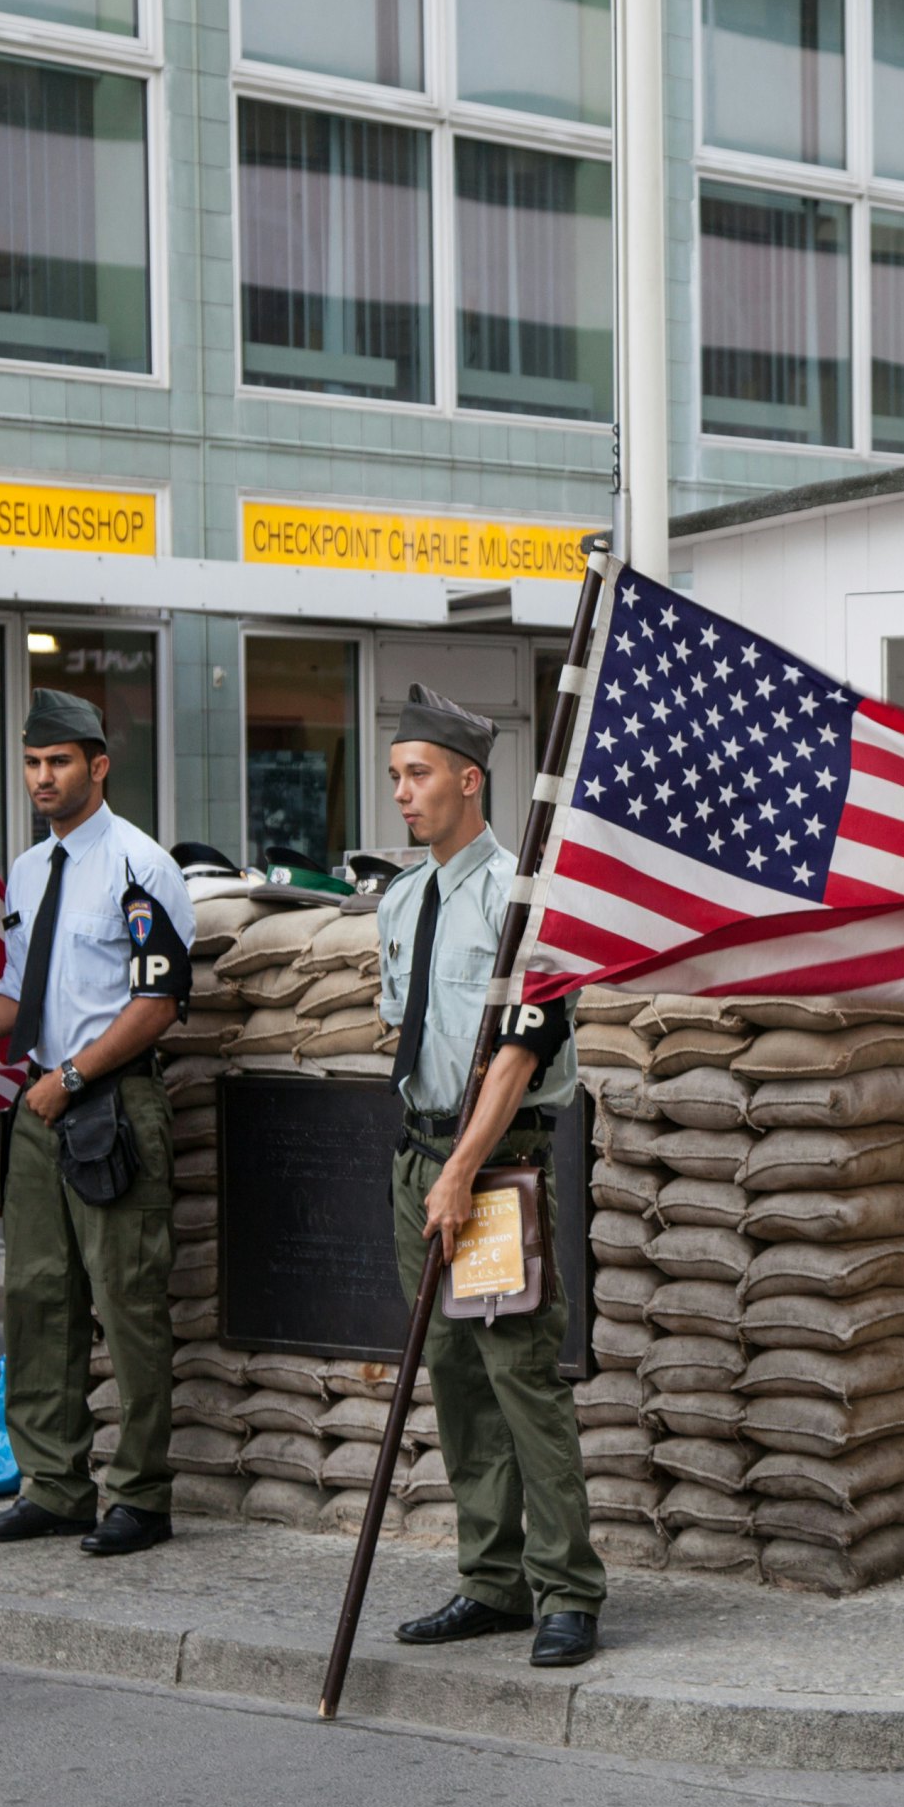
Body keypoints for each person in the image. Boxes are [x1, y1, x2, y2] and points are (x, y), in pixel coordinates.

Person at [0, 689, 193, 1557]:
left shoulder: (140, 866)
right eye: (32, 763)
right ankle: (55, 1484)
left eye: (59, 762)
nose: (43, 777)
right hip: (37, 1106)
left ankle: (140, 1496)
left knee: (126, 1300)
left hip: (109, 1101)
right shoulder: (28, 874)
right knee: (37, 1297)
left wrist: (73, 1076)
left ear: (98, 765)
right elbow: (15, 998)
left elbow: (159, 1001)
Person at [374, 684, 603, 1668]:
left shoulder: (525, 902)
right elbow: (408, 1030)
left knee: (519, 1381)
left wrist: (463, 1167)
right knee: (456, 1381)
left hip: (491, 1170)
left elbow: (517, 1054)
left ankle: (566, 1591)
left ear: (469, 780)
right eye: (394, 776)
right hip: (418, 1159)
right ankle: (492, 1579)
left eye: (417, 774)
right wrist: (430, 1163)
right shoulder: (397, 899)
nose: (401, 794)